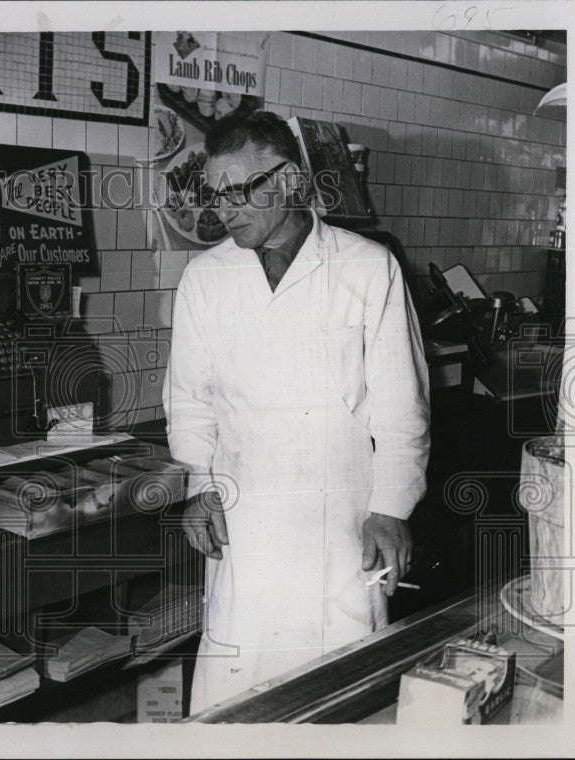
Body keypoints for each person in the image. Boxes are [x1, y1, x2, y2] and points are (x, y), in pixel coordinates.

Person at [163, 111, 431, 714]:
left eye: (240, 190)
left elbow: (400, 402)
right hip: (246, 521)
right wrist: (199, 487)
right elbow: (190, 401)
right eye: (216, 193)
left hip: (341, 524)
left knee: (342, 697)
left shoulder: (366, 266)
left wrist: (390, 508)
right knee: (236, 697)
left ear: (287, 180)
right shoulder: (206, 280)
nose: (224, 209)